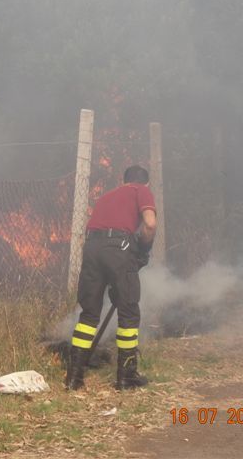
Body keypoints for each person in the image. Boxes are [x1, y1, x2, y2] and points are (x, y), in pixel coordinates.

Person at [65, 165, 157, 391]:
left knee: (89, 313)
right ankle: (126, 377)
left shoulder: (106, 196)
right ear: (146, 183)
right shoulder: (141, 190)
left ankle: (74, 377)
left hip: (92, 248)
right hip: (119, 247)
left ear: (123, 180)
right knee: (128, 311)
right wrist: (144, 249)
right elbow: (150, 224)